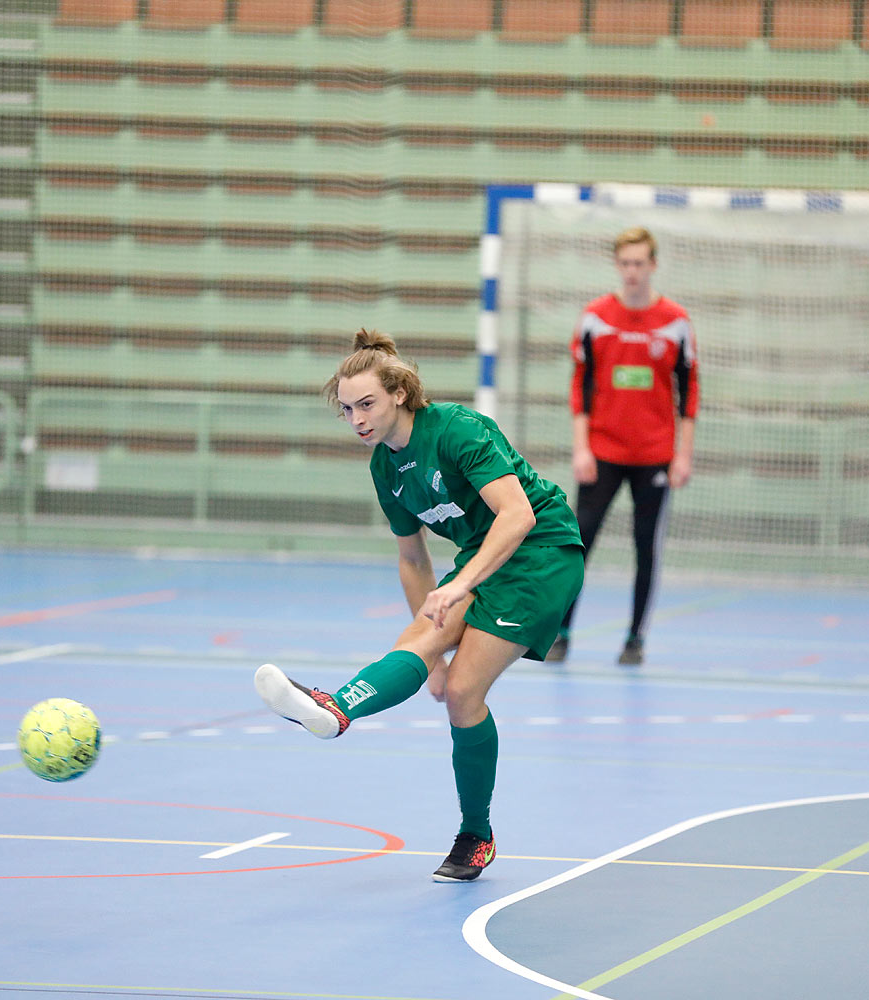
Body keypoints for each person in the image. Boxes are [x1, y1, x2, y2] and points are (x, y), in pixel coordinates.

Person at [254, 329, 584, 882]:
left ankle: (476, 835)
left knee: (462, 693)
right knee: (420, 646)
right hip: (486, 555)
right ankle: (337, 710)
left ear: (399, 394)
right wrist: (430, 652)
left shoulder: (459, 429)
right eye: (347, 410)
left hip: (543, 552)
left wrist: (460, 586)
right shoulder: (386, 468)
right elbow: (413, 560)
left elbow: (519, 515)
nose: (357, 419)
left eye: (367, 404)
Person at [546, 226, 698, 667]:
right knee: (578, 545)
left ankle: (635, 639)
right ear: (618, 265)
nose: (632, 271)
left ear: (653, 265)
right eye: (625, 263)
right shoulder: (595, 317)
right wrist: (581, 448)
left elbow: (689, 392)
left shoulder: (675, 321)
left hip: (655, 455)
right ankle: (562, 633)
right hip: (602, 454)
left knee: (645, 546)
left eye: (640, 263)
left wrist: (683, 455)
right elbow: (580, 386)